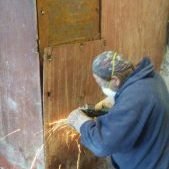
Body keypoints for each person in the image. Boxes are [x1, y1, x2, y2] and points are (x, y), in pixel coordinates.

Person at [67, 51, 169, 169]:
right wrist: (119, 99)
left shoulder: (134, 100)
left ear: (115, 80)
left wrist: (80, 122)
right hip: (156, 154)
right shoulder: (151, 78)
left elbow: (102, 144)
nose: (102, 88)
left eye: (102, 84)